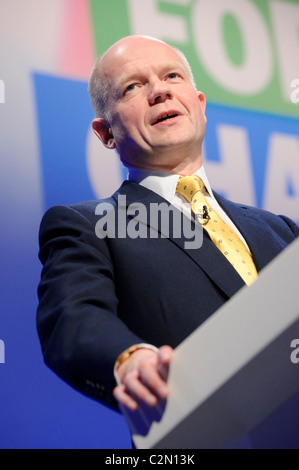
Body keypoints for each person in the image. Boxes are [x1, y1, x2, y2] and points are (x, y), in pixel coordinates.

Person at [36, 35, 299, 423]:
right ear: (105, 132)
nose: (160, 91)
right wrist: (128, 360)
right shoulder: (87, 227)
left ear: (200, 104)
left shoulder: (282, 231)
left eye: (172, 76)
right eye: (132, 87)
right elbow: (73, 319)